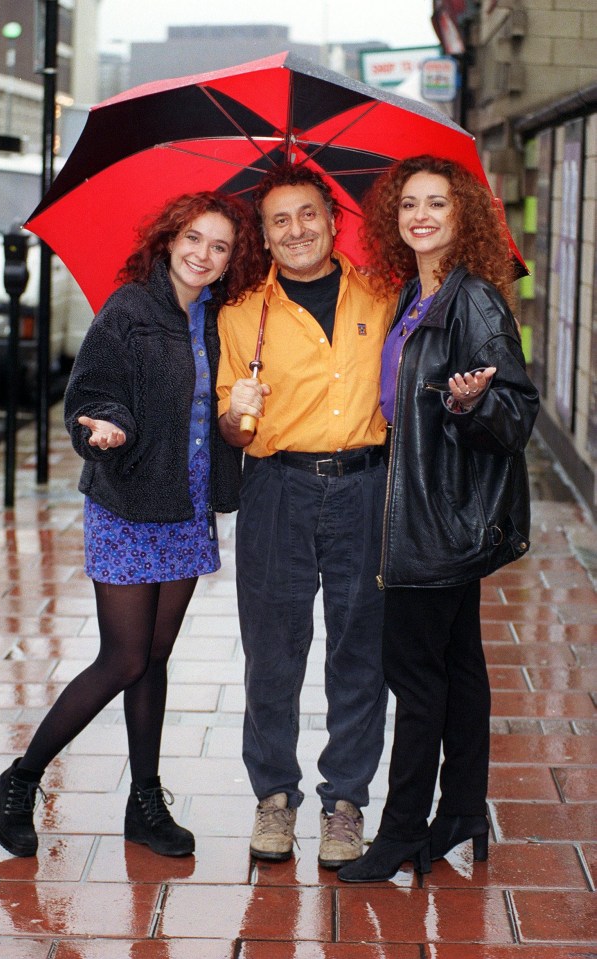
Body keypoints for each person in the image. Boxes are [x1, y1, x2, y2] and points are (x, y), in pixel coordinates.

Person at [0, 191, 266, 859]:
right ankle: (20, 779)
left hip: (187, 505)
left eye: (220, 245)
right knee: (123, 657)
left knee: (155, 659)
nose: (203, 253)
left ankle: (144, 801)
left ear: (232, 258)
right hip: (127, 501)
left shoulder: (218, 319)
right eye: (193, 238)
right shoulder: (130, 310)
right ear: (169, 239)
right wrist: (104, 426)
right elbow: (89, 391)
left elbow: (219, 413)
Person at [337, 155, 539, 884]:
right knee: (457, 669)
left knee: (412, 675)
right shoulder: (413, 296)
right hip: (427, 508)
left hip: (437, 518)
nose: (420, 215)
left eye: (437, 204)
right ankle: (459, 812)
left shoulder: (472, 302)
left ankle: (398, 835)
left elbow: (514, 414)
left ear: (463, 219)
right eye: (408, 205)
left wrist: (468, 401)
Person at [216, 164, 396, 869]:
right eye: (279, 220)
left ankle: (345, 802)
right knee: (272, 650)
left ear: (331, 219)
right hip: (276, 488)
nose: (296, 230)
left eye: (308, 214)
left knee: (359, 650)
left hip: (365, 485)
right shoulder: (240, 315)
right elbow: (231, 430)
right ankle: (273, 798)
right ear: (263, 235)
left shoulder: (381, 294)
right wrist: (236, 415)